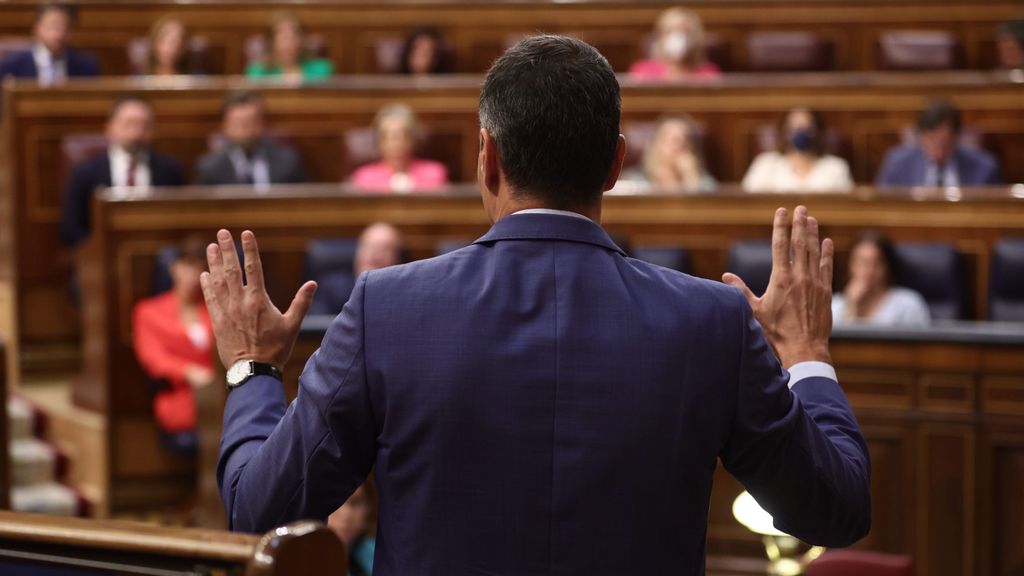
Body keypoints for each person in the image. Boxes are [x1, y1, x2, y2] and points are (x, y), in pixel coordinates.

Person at [207, 36, 870, 573]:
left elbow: (259, 512)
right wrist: (808, 356)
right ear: (613, 166)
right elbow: (834, 510)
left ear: (487, 159)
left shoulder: (387, 308)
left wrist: (251, 369)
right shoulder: (712, 321)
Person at [60, 96, 185, 247]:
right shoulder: (85, 172)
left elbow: (179, 222)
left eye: (144, 125)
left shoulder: (170, 170)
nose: (136, 132)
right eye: (129, 124)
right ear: (110, 127)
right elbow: (71, 229)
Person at [133, 236, 214, 439]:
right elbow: (153, 358)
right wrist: (189, 371)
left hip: (221, 392)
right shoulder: (148, 312)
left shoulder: (217, 308)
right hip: (181, 396)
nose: (193, 276)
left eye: (199, 269)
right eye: (187, 267)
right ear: (172, 267)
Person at [876, 99, 1001, 188]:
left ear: (956, 137)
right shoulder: (898, 164)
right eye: (930, 140)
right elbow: (881, 210)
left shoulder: (984, 168)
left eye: (944, 143)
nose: (938, 150)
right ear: (921, 136)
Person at [196, 91, 307, 187]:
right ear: (224, 125)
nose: (245, 129)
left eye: (250, 121)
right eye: (238, 123)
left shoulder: (288, 162)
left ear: (263, 122)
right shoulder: (209, 167)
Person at [742, 107, 853, 193]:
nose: (801, 133)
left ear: (818, 131)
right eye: (794, 128)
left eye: (807, 128)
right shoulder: (765, 163)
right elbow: (747, 204)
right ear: (784, 132)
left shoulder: (836, 167)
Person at [831, 231, 930, 327]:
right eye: (863, 262)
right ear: (850, 265)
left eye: (877, 263)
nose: (869, 270)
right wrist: (851, 307)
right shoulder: (834, 305)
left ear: (887, 267)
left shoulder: (909, 304)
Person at [309, 223, 404, 317]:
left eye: (384, 249)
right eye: (369, 246)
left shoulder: (403, 295)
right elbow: (317, 326)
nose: (375, 254)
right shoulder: (330, 289)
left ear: (397, 258)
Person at [351, 104, 448, 192]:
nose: (397, 144)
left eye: (404, 136)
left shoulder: (434, 174)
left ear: (413, 139)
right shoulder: (365, 178)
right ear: (379, 142)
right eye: (390, 138)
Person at [0, 3, 98, 85]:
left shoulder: (86, 66)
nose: (59, 34)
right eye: (53, 26)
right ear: (37, 28)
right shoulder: (11, 66)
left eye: (65, 28)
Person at [620, 114, 717, 192]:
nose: (680, 145)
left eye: (685, 140)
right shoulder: (633, 182)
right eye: (674, 140)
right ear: (657, 144)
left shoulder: (704, 182)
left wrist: (690, 177)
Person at [629, 7, 721, 81]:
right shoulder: (642, 71)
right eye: (670, 31)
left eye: (685, 32)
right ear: (660, 36)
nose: (677, 37)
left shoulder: (708, 73)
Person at [246, 12, 333, 81]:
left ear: (302, 40)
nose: (289, 44)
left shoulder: (322, 68)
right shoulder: (258, 71)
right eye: (284, 38)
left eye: (293, 37)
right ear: (272, 42)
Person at [327, 484, 377, 576]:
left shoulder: (378, 554)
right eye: (334, 504)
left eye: (355, 502)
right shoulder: (302, 560)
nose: (346, 514)